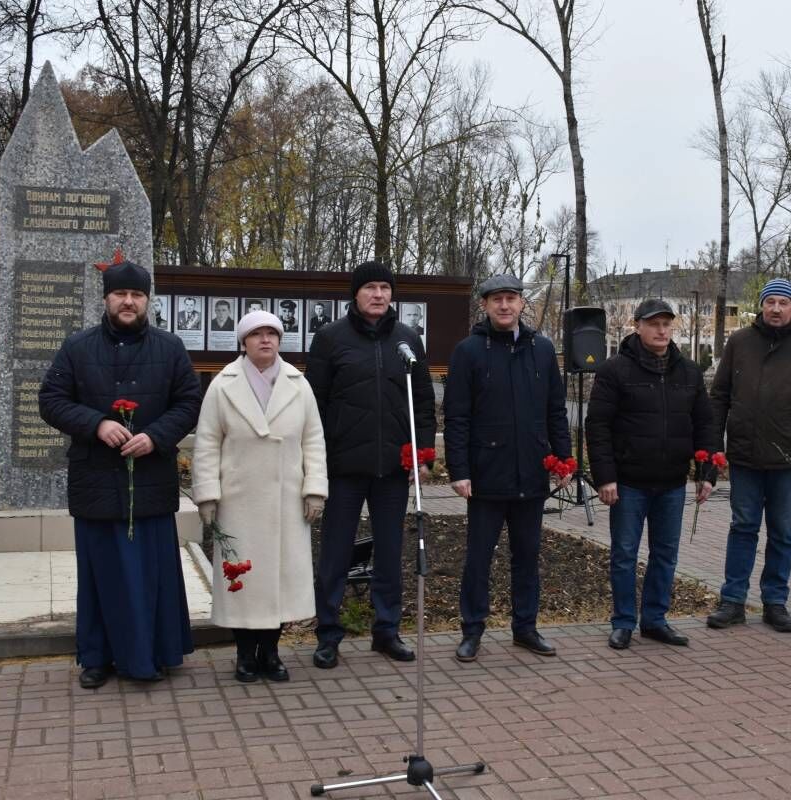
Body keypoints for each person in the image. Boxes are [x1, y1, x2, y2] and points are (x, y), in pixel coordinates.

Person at [38, 260, 202, 688]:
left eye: (137, 295)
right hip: (96, 481)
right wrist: (96, 423)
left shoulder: (170, 348)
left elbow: (189, 403)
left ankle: (158, 652)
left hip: (150, 481)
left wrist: (155, 436)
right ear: (106, 298)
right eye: (120, 294)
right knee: (101, 576)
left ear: (147, 300)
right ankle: (97, 657)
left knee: (151, 573)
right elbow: (51, 400)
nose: (128, 302)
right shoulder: (77, 347)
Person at [305, 261, 435, 668]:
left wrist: (423, 453)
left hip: (393, 469)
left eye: (384, 288)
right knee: (335, 553)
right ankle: (328, 633)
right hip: (344, 466)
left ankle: (387, 630)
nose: (378, 295)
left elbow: (425, 404)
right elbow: (314, 405)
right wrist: (316, 461)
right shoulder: (330, 339)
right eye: (370, 288)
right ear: (355, 294)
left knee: (391, 551)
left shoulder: (409, 340)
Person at [192, 310, 328, 683]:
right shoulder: (223, 385)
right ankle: (244, 655)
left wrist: (314, 488)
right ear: (243, 341)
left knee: (280, 583)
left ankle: (271, 653)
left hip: (287, 502)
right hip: (239, 502)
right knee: (243, 583)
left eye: (272, 333)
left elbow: (313, 440)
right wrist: (207, 494)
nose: (265, 340)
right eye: (256, 334)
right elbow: (206, 442)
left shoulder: (299, 384)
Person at [444, 274, 571, 662]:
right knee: (478, 558)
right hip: (486, 475)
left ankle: (526, 627)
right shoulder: (469, 351)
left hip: (531, 472)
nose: (504, 305)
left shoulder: (542, 350)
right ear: (484, 305)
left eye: (511, 299)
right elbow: (457, 417)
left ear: (521, 304)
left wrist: (563, 458)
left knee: (527, 556)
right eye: (496, 299)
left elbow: (555, 411)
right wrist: (459, 469)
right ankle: (472, 630)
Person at [586, 298, 718, 650]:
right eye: (654, 324)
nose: (661, 330)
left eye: (666, 324)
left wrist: (707, 472)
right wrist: (605, 477)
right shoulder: (614, 370)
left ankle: (655, 620)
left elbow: (705, 423)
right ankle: (624, 622)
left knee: (665, 554)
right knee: (625, 553)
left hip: (672, 482)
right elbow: (597, 426)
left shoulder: (688, 372)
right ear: (638, 326)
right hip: (628, 482)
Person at [706, 278, 791, 634]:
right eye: (770, 302)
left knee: (781, 532)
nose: (776, 309)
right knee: (742, 527)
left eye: (783, 303)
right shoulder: (740, 342)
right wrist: (715, 448)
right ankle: (733, 601)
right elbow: (720, 397)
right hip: (744, 456)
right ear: (761, 305)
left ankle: (775, 601)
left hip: (787, 460)